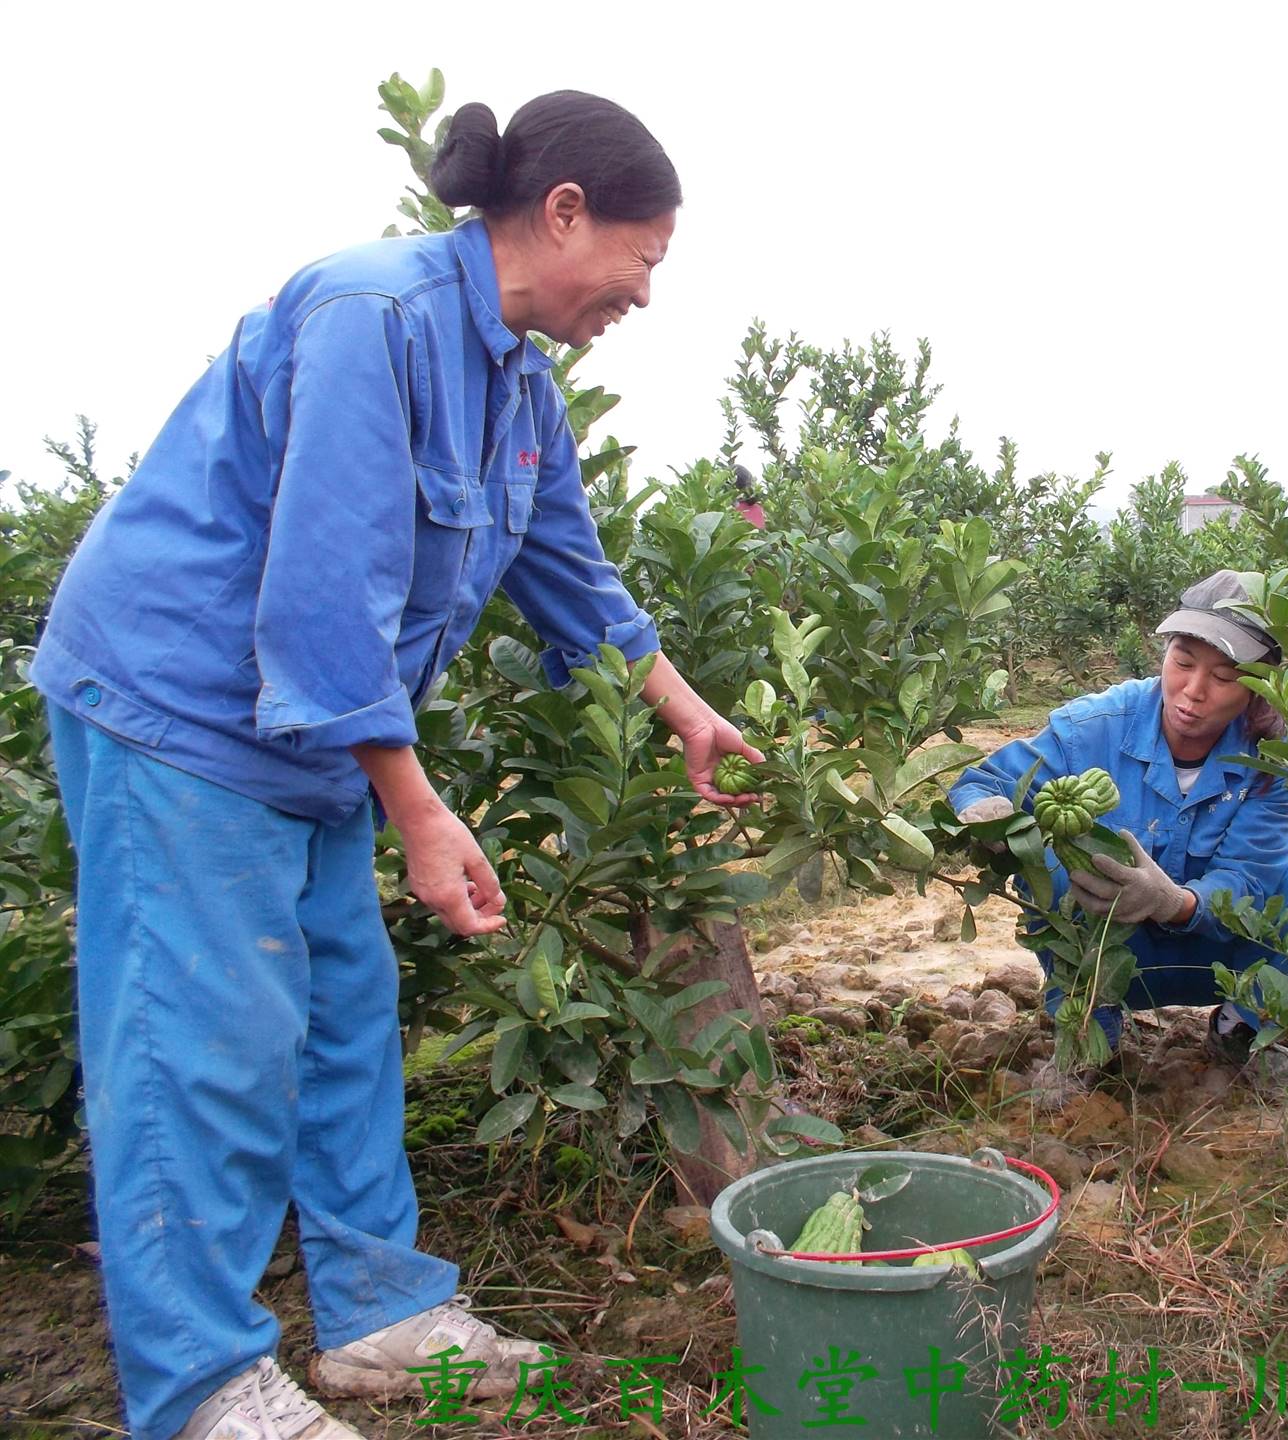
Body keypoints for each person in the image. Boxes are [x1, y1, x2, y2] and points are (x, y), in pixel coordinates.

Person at [31, 91, 763, 1440]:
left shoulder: (518, 382)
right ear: (561, 214)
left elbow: (573, 578)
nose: (645, 296)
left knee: (342, 1020)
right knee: (207, 1040)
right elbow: (323, 589)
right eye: (645, 259)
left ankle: (380, 1316)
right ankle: (199, 1385)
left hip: (299, 736)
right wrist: (418, 808)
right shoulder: (370, 316)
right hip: (182, 711)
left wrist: (686, 708)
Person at [948, 570, 1288, 1103]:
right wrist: (982, 811)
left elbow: (1251, 877)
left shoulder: (1273, 758)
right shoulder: (1094, 726)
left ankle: (1240, 1029)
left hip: (1216, 955)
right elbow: (986, 781)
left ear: (1261, 688)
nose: (1193, 691)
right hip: (1109, 953)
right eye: (1182, 663)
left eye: (1225, 676)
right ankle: (1091, 1030)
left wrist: (1176, 902)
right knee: (1049, 863)